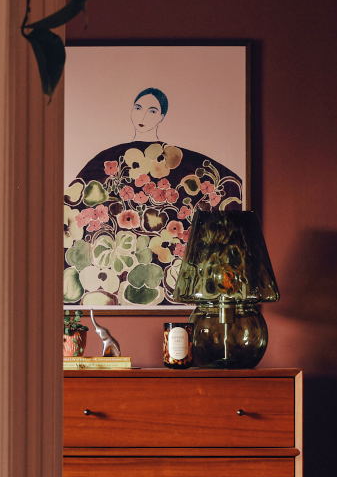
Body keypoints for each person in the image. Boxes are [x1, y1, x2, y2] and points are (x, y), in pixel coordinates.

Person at [63, 85, 239, 309]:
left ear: (162, 117)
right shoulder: (107, 159)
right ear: (131, 111)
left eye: (153, 111)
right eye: (138, 107)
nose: (143, 115)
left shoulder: (178, 159)